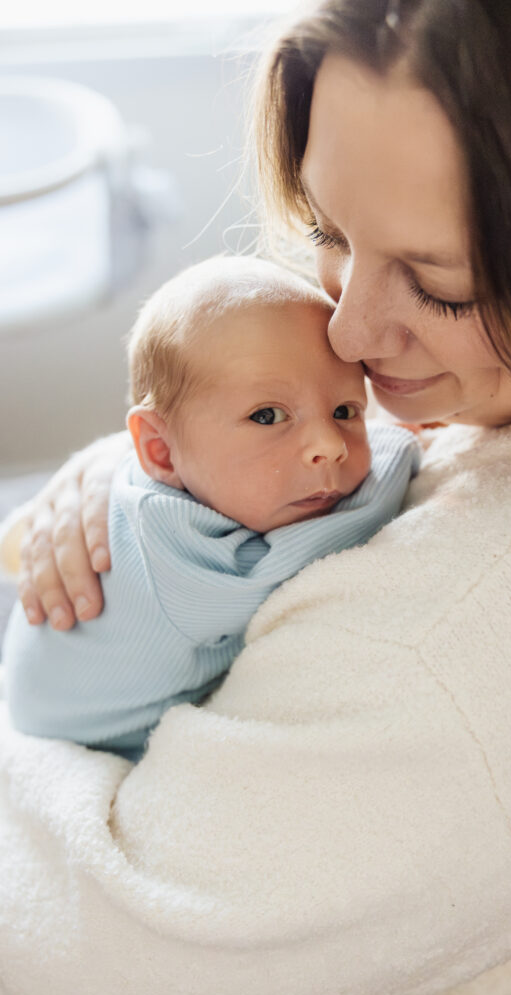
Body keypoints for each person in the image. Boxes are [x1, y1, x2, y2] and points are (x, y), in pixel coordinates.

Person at [0, 2, 511, 995]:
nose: (351, 333)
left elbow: (77, 957)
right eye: (327, 231)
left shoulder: (475, 637)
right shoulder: (500, 400)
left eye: (441, 286)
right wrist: (138, 476)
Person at [2, 255, 418, 760]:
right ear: (159, 451)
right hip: (91, 734)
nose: (330, 445)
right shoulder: (183, 557)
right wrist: (404, 446)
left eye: (345, 411)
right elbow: (338, 536)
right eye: (268, 416)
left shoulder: (174, 470)